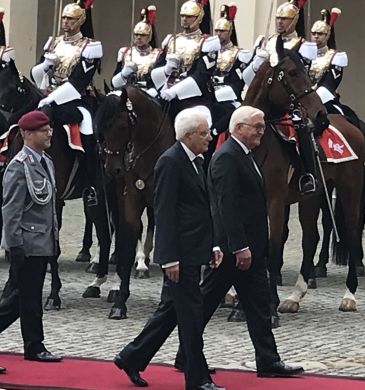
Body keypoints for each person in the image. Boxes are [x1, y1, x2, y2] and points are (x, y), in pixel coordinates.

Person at [174, 106, 304, 379]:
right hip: (232, 250)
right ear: (238, 128)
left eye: (261, 126)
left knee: (258, 305)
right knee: (204, 304)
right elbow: (227, 207)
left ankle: (268, 361)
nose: (261, 131)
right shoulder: (226, 157)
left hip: (250, 250)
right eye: (256, 127)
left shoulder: (246, 155)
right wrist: (239, 246)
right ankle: (185, 355)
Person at [113, 108, 224, 390]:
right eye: (203, 133)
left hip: (194, 249)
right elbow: (164, 214)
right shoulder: (171, 162)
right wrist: (169, 257)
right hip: (179, 255)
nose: (209, 138)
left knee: (171, 311)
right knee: (191, 314)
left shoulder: (198, 161)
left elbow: (203, 210)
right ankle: (197, 379)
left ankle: (131, 357)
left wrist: (211, 244)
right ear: (187, 136)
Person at [0, 110, 61, 364]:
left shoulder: (46, 161)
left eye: (49, 128)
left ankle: (34, 345)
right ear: (27, 134)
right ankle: (34, 345)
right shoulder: (18, 167)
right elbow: (11, 211)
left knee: (26, 297)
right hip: (26, 244)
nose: (49, 133)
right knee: (20, 299)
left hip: (43, 242)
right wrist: (14, 246)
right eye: (42, 130)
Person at [243, 0, 318, 195]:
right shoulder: (265, 43)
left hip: (291, 99)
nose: (280, 23)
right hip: (264, 101)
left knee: (300, 127)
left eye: (284, 19)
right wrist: (256, 62)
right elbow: (248, 78)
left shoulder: (304, 45)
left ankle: (306, 175)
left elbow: (300, 75)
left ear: (294, 20)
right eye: (278, 19)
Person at [31, 0, 102, 206]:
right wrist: (44, 66)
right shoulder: (53, 43)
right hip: (48, 95)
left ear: (80, 20)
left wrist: (51, 98)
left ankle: (91, 183)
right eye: (64, 18)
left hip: (76, 99)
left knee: (88, 129)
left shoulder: (90, 47)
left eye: (70, 19)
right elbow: (36, 73)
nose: (65, 22)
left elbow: (79, 81)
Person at [152, 0, 220, 125]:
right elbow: (156, 69)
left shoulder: (208, 43)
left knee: (200, 127)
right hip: (166, 93)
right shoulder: (171, 40)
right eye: (182, 16)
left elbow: (202, 75)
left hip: (194, 98)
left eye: (189, 16)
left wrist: (175, 91)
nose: (184, 19)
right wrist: (166, 69)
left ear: (199, 18)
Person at [210, 3, 251, 136]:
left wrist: (216, 95)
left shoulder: (239, 54)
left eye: (222, 31)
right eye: (216, 31)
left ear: (230, 32)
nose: (218, 34)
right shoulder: (208, 52)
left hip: (228, 99)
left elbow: (237, 85)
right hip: (209, 96)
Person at [111, 5, 162, 95]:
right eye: (136, 34)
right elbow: (113, 83)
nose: (139, 37)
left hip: (149, 93)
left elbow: (160, 81)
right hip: (127, 92)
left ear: (149, 36)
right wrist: (123, 74)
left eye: (143, 35)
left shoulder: (158, 54)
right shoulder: (125, 53)